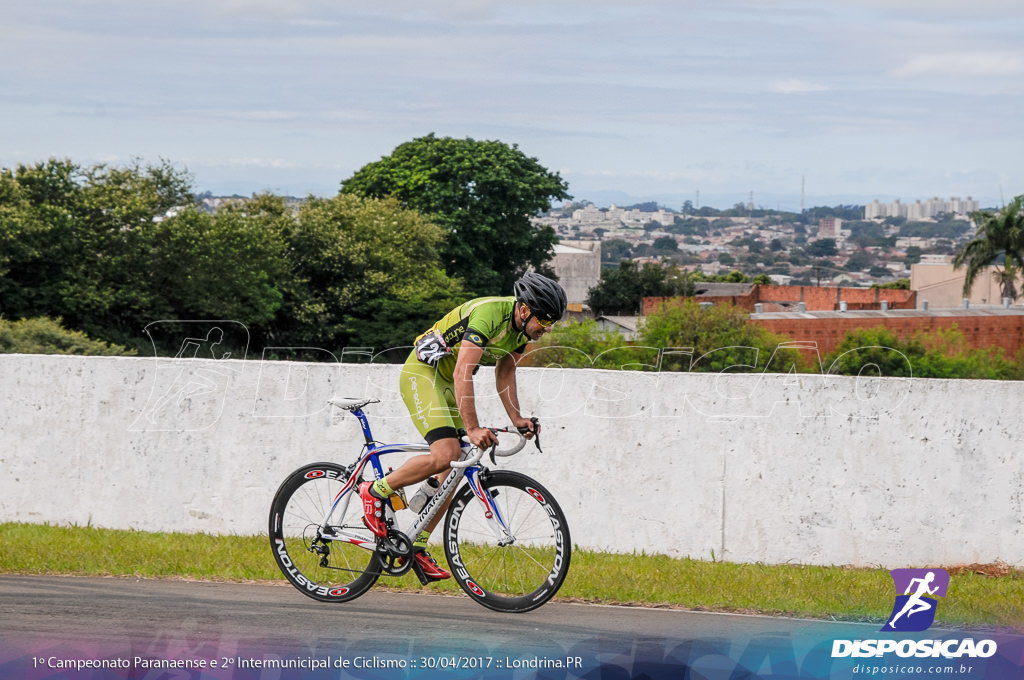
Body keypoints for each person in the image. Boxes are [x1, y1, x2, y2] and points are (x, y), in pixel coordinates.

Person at [360, 272, 567, 581]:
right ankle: (375, 491)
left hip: (446, 379)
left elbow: (506, 370)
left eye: (552, 325)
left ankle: (415, 544)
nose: (546, 331)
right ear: (524, 311)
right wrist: (472, 428)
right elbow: (462, 373)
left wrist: (517, 419)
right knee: (446, 454)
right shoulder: (489, 314)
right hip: (424, 374)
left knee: (455, 469)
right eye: (544, 323)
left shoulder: (523, 332)